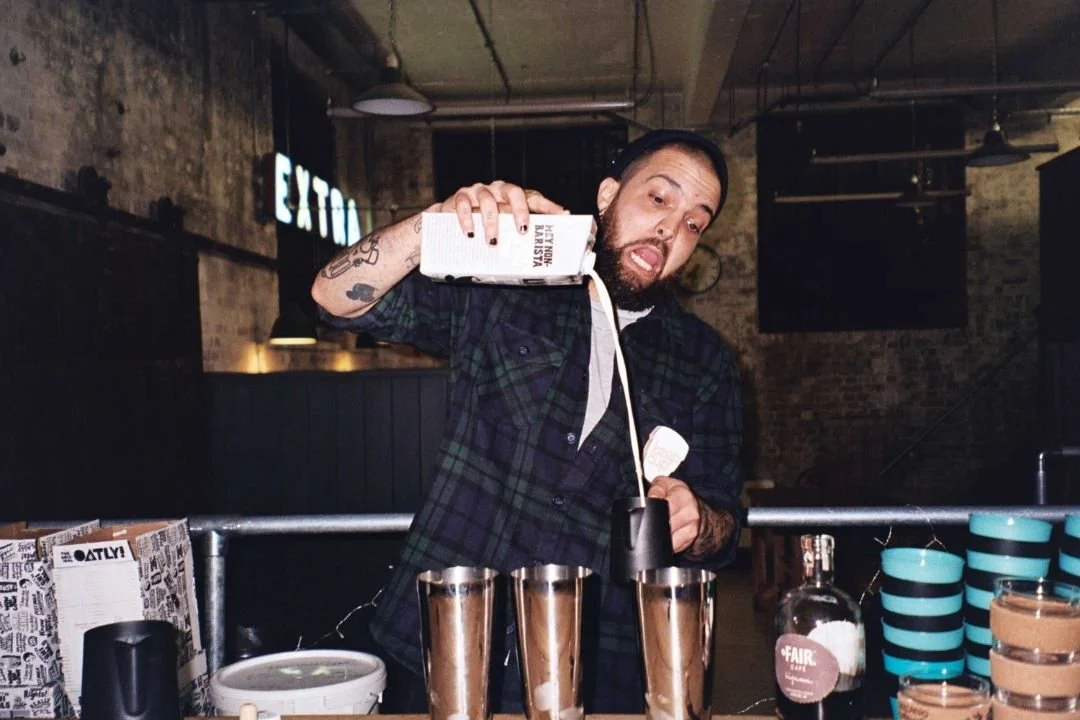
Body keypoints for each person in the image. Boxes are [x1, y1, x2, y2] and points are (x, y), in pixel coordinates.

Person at [312, 129, 744, 713]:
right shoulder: (508, 286)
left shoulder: (705, 360)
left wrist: (699, 520)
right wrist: (434, 226)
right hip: (451, 634)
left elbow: (726, 527)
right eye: (659, 199)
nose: (671, 230)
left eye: (696, 222)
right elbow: (336, 299)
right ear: (608, 194)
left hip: (600, 664)